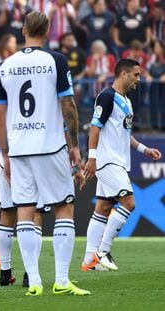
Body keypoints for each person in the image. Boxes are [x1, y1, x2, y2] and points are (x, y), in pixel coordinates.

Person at [0, 11, 90, 296]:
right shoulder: (55, 61)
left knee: (25, 209)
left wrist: (5, 152)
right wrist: (74, 146)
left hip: (19, 148)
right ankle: (60, 280)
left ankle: (34, 282)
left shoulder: (5, 65)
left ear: (23, 30)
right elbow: (68, 105)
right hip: (49, 144)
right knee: (63, 207)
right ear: (47, 30)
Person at [81, 59, 162, 272]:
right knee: (129, 202)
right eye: (136, 75)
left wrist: (145, 150)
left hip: (118, 160)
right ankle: (103, 251)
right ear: (123, 74)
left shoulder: (126, 100)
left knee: (103, 208)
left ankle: (89, 260)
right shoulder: (106, 97)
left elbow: (125, 134)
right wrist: (92, 157)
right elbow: (95, 128)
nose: (139, 79)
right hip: (108, 160)